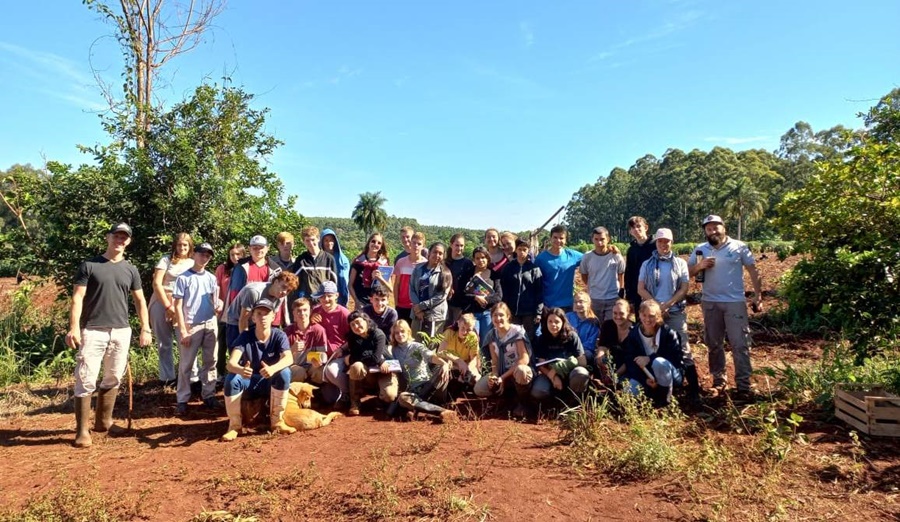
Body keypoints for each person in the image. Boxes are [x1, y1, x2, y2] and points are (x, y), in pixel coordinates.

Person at [66, 223, 152, 448]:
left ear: (129, 241)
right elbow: (77, 298)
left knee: (113, 376)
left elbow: (140, 300)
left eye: (124, 237)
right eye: (116, 236)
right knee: (86, 378)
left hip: (121, 330)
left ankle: (104, 422)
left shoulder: (130, 269)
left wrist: (145, 328)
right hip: (93, 329)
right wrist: (74, 327)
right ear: (108, 237)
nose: (120, 240)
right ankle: (82, 430)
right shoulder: (90, 265)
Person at [688, 214, 763, 399]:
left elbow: (753, 270)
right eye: (708, 228)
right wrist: (700, 266)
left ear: (724, 227)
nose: (712, 230)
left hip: (734, 302)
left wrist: (757, 295)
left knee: (740, 344)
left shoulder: (739, 247)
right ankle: (719, 382)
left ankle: (743, 385)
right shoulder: (700, 250)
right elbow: (687, 272)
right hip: (710, 302)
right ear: (705, 231)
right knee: (714, 344)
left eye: (716, 227)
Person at [638, 228, 700, 401]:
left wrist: (668, 304)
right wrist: (656, 306)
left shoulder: (680, 263)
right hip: (652, 313)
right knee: (652, 347)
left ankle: (694, 389)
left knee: (683, 348)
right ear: (656, 242)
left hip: (674, 311)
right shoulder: (647, 264)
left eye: (667, 241)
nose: (663, 245)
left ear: (672, 243)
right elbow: (640, 288)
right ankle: (657, 386)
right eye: (660, 241)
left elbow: (684, 288)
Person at [222, 298, 296, 441]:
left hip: (270, 382)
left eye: (267, 314)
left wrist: (273, 369)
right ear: (253, 317)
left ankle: (277, 422)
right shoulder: (245, 336)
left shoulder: (279, 335)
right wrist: (240, 370)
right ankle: (234, 426)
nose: (263, 317)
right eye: (259, 313)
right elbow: (230, 364)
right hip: (249, 382)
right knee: (232, 379)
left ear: (273, 316)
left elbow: (288, 359)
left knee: (285, 372)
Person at [173, 242, 221, 415]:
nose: (204, 257)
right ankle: (182, 399)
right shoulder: (183, 277)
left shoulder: (211, 278)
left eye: (208, 255)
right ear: (194, 254)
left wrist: (218, 306)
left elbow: (214, 300)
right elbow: (177, 306)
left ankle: (208, 395)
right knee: (186, 364)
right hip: (191, 324)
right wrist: (183, 330)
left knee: (211, 361)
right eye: (202, 254)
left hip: (210, 323)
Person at [148, 233, 196, 386]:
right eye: (179, 244)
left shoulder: (193, 261)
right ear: (175, 245)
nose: (182, 248)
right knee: (164, 343)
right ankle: (167, 378)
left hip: (184, 305)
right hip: (161, 301)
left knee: (186, 340)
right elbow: (156, 283)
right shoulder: (165, 259)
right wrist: (168, 306)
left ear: (190, 247)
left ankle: (191, 378)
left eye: (185, 245)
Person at [473, 302, 533, 418]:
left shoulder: (517, 332)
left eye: (501, 315)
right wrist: (495, 376)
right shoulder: (491, 335)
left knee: (522, 371)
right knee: (479, 389)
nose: (498, 318)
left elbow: (524, 359)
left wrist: (503, 377)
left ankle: (523, 403)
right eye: (495, 315)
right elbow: (495, 362)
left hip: (517, 372)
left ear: (508, 316)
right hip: (502, 371)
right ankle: (504, 401)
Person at [390, 320, 458, 422]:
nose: (400, 335)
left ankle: (415, 409)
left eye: (402, 331)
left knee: (441, 368)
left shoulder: (417, 346)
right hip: (413, 390)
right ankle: (442, 411)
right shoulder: (394, 350)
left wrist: (444, 364)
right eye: (396, 332)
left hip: (429, 384)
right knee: (403, 397)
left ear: (408, 332)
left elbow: (431, 357)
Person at [622, 300, 684, 407]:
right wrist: (644, 380)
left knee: (658, 362)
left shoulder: (668, 333)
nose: (647, 319)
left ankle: (665, 399)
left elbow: (675, 358)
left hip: (670, 374)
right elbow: (630, 360)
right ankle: (651, 394)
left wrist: (650, 358)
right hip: (647, 375)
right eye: (644, 315)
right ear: (639, 315)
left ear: (658, 316)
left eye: (651, 316)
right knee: (629, 391)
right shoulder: (634, 333)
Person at [224, 271, 299, 349]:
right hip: (236, 321)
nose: (284, 292)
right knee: (239, 351)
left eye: (288, 291)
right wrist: (246, 345)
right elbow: (243, 319)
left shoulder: (281, 297)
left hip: (256, 321)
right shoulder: (254, 292)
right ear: (276, 282)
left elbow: (270, 318)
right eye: (283, 287)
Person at [345, 311, 399, 416]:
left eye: (358, 322)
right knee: (356, 366)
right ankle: (355, 403)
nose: (356, 326)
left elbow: (375, 358)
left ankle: (379, 400)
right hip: (369, 372)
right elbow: (355, 358)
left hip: (385, 370)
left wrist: (379, 360)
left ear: (366, 321)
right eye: (352, 325)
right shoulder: (352, 338)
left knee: (390, 396)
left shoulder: (378, 334)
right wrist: (374, 358)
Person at [530, 308, 590, 402]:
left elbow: (583, 362)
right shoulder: (542, 339)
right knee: (538, 391)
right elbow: (541, 365)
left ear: (563, 322)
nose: (553, 325)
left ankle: (575, 402)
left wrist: (558, 368)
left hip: (570, 373)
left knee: (581, 373)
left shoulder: (572, 336)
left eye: (557, 322)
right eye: (550, 321)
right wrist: (554, 376)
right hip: (549, 375)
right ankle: (551, 405)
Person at [310, 280, 351, 405]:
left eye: (329, 296)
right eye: (322, 296)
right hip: (320, 353)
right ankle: (321, 391)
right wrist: (310, 321)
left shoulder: (344, 313)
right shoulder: (315, 311)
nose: (326, 299)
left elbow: (353, 337)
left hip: (338, 355)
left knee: (331, 371)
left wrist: (342, 349)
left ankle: (348, 392)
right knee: (310, 369)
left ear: (336, 296)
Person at [499, 238, 543, 340]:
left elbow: (539, 291)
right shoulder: (508, 268)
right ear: (516, 250)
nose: (522, 252)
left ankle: (529, 356)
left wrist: (538, 312)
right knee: (512, 337)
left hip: (528, 311)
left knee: (528, 338)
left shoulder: (534, 269)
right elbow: (503, 288)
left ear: (528, 251)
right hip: (512, 310)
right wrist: (504, 307)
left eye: (525, 249)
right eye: (520, 249)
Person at [579, 226, 625, 322]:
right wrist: (593, 286)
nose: (599, 243)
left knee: (610, 327)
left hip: (612, 298)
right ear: (592, 239)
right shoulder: (587, 257)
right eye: (596, 239)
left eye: (602, 239)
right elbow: (584, 275)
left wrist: (621, 293)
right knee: (595, 327)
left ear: (608, 239)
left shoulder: (616, 256)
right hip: (594, 298)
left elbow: (621, 275)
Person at [535, 224, 583, 312]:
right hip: (549, 305)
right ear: (550, 238)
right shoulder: (541, 259)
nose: (558, 240)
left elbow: (591, 257)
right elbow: (536, 284)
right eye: (555, 237)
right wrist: (541, 304)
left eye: (561, 238)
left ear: (566, 240)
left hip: (568, 305)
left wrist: (609, 249)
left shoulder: (573, 256)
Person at [215, 243, 245, 380]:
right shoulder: (223, 269)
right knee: (222, 344)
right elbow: (216, 288)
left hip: (240, 313)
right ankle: (220, 372)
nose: (235, 257)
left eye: (238, 254)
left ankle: (236, 371)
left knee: (237, 344)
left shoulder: (245, 269)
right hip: (223, 313)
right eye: (232, 254)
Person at [226, 235, 279, 312]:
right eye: (255, 248)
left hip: (265, 312)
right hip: (244, 312)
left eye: (261, 247)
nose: (258, 250)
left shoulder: (275, 269)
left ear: (267, 248)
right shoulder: (240, 267)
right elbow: (234, 292)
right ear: (249, 249)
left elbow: (277, 295)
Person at [409, 242, 452, 337]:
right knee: (415, 343)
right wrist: (418, 308)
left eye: (440, 253)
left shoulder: (446, 273)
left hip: (435, 315)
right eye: (435, 252)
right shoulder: (418, 268)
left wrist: (422, 306)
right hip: (417, 313)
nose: (437, 255)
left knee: (430, 345)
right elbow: (411, 288)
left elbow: (442, 296)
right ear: (429, 253)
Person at [284, 297, 329, 384]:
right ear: (293, 313)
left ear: (310, 311)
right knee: (299, 372)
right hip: (293, 365)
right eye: (298, 311)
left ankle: (317, 393)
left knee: (320, 371)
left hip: (311, 364)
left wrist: (319, 360)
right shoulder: (287, 331)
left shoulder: (318, 330)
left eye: (305, 310)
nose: (302, 313)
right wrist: (293, 349)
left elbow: (322, 352)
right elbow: (282, 357)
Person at [464, 246, 503, 346]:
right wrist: (475, 297)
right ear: (474, 259)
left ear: (487, 258)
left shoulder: (494, 275)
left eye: (483, 257)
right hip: (472, 313)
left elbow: (498, 296)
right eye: (477, 258)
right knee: (473, 340)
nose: (480, 260)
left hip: (487, 313)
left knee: (486, 341)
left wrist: (485, 299)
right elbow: (462, 294)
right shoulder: (468, 273)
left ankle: (484, 361)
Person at [436, 313, 481, 389]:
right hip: (451, 362)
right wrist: (458, 361)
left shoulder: (472, 336)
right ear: (458, 323)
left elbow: (474, 359)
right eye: (463, 328)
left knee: (477, 380)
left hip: (466, 363)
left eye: (468, 330)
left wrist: (467, 370)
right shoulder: (449, 332)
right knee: (442, 370)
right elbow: (440, 352)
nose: (464, 332)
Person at [291, 225, 337, 301]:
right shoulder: (301, 260)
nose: (311, 243)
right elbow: (294, 281)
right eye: (307, 240)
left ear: (318, 239)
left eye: (313, 240)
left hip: (324, 301)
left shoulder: (329, 259)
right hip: (307, 302)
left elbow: (334, 282)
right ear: (303, 242)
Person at [594, 299, 633, 386]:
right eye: (615, 313)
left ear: (628, 313)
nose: (618, 316)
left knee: (623, 384)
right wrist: (600, 356)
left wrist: (615, 375)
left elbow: (630, 359)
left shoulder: (634, 331)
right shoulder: (607, 325)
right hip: (610, 362)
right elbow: (602, 345)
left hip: (626, 366)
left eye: (621, 313)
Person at [349, 232, 391, 310]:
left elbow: (390, 288)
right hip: (361, 305)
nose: (375, 244)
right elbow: (350, 285)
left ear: (381, 246)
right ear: (369, 242)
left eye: (379, 243)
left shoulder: (383, 264)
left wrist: (380, 278)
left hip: (378, 306)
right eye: (373, 241)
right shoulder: (358, 261)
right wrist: (357, 301)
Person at [624, 216, 655, 315]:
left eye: (638, 226)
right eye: (633, 228)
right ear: (630, 232)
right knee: (641, 321)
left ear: (646, 227)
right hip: (638, 293)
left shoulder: (655, 246)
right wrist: (629, 297)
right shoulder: (631, 250)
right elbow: (629, 273)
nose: (636, 229)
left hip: (655, 290)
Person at [393, 231, 427, 322]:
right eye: (414, 243)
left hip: (417, 307)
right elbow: (396, 284)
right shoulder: (401, 262)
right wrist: (396, 303)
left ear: (423, 247)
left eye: (419, 244)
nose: (416, 245)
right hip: (401, 305)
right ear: (410, 243)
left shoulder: (425, 264)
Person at [445, 233, 475, 325]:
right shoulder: (445, 262)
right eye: (457, 245)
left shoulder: (468, 263)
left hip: (461, 304)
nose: (459, 248)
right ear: (451, 245)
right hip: (445, 302)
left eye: (461, 245)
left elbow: (471, 283)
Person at [566, 290, 601, 363]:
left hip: (584, 352)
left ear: (588, 304)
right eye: (575, 302)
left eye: (581, 302)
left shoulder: (593, 322)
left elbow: (590, 344)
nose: (578, 304)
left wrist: (576, 350)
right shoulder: (568, 317)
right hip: (567, 349)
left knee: (587, 354)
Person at [320, 228, 351, 307]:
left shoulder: (342, 258)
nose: (329, 243)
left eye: (331, 240)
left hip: (340, 293)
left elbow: (345, 278)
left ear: (335, 241)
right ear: (322, 242)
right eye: (326, 240)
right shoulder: (319, 258)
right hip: (323, 294)